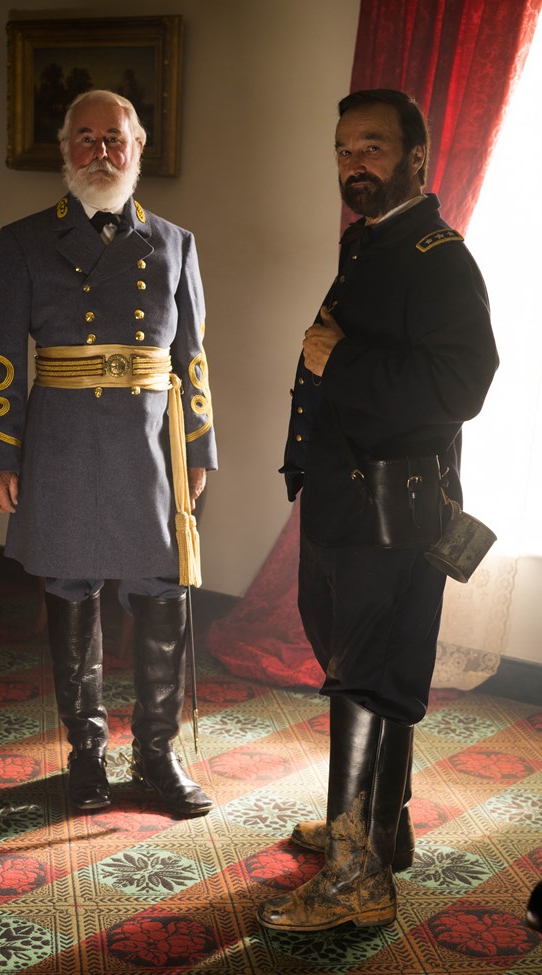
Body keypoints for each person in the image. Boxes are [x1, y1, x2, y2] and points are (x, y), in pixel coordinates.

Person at [257, 89, 498, 932]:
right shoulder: (374, 244)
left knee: (367, 675)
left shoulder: (435, 256)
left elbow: (459, 385)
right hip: (349, 501)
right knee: (356, 661)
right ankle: (374, 829)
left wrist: (342, 358)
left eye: (372, 146)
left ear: (416, 156)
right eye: (344, 149)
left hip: (392, 511)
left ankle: (356, 876)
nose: (354, 162)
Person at [0, 89, 217, 818]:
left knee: (160, 589)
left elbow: (194, 357)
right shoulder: (21, 240)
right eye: (85, 138)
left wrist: (199, 447)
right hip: (64, 438)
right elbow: (0, 357)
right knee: (72, 587)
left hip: (151, 442)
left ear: (137, 148)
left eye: (114, 138)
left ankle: (158, 751)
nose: (101, 151)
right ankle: (86, 753)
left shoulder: (175, 242)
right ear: (64, 150)